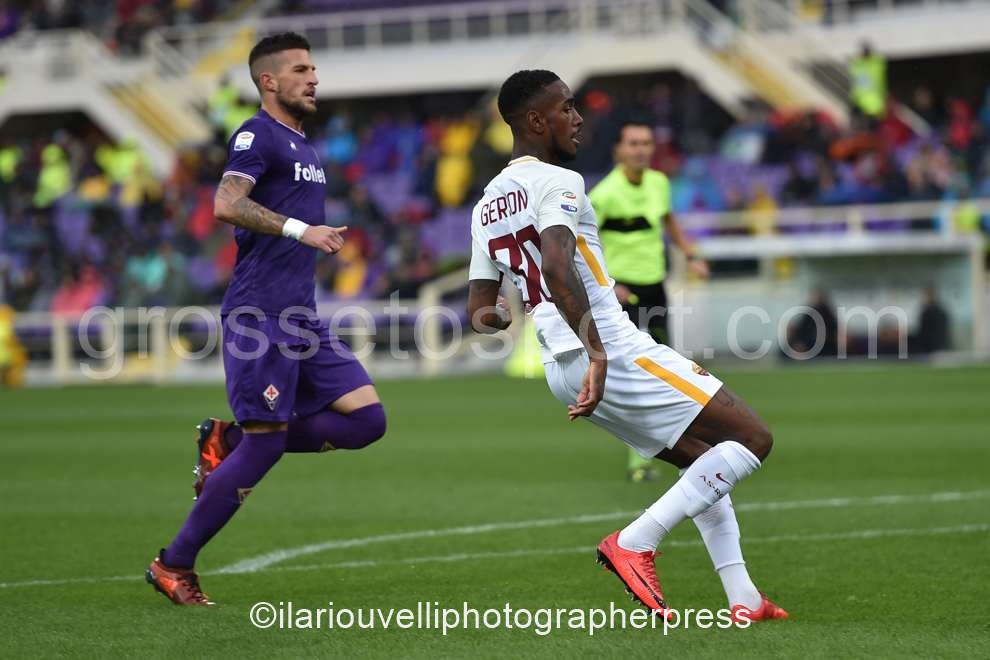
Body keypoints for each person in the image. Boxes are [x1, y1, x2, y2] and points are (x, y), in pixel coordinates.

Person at [467, 70, 786, 622]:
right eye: (566, 108)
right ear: (535, 121)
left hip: (559, 367)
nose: (578, 118)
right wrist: (598, 352)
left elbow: (481, 312)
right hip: (609, 348)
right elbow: (558, 266)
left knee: (704, 465)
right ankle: (636, 541)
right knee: (752, 439)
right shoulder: (559, 181)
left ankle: (745, 599)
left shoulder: (484, 206)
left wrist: (514, 309)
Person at [146, 33, 387, 606]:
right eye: (301, 69)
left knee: (366, 422)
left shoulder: (304, 146)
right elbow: (226, 204)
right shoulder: (256, 134)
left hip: (301, 315)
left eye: (314, 68)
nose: (314, 78)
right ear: (269, 81)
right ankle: (173, 564)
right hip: (261, 315)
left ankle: (226, 437)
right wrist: (302, 231)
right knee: (266, 446)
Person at [589, 121, 711, 482]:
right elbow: (584, 244)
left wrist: (691, 255)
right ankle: (638, 460)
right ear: (619, 150)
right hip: (622, 293)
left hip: (655, 288)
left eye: (645, 143)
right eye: (633, 143)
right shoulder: (604, 194)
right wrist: (607, 284)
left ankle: (681, 447)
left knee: (666, 369)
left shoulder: (659, 183)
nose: (641, 149)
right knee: (633, 373)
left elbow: (669, 222)